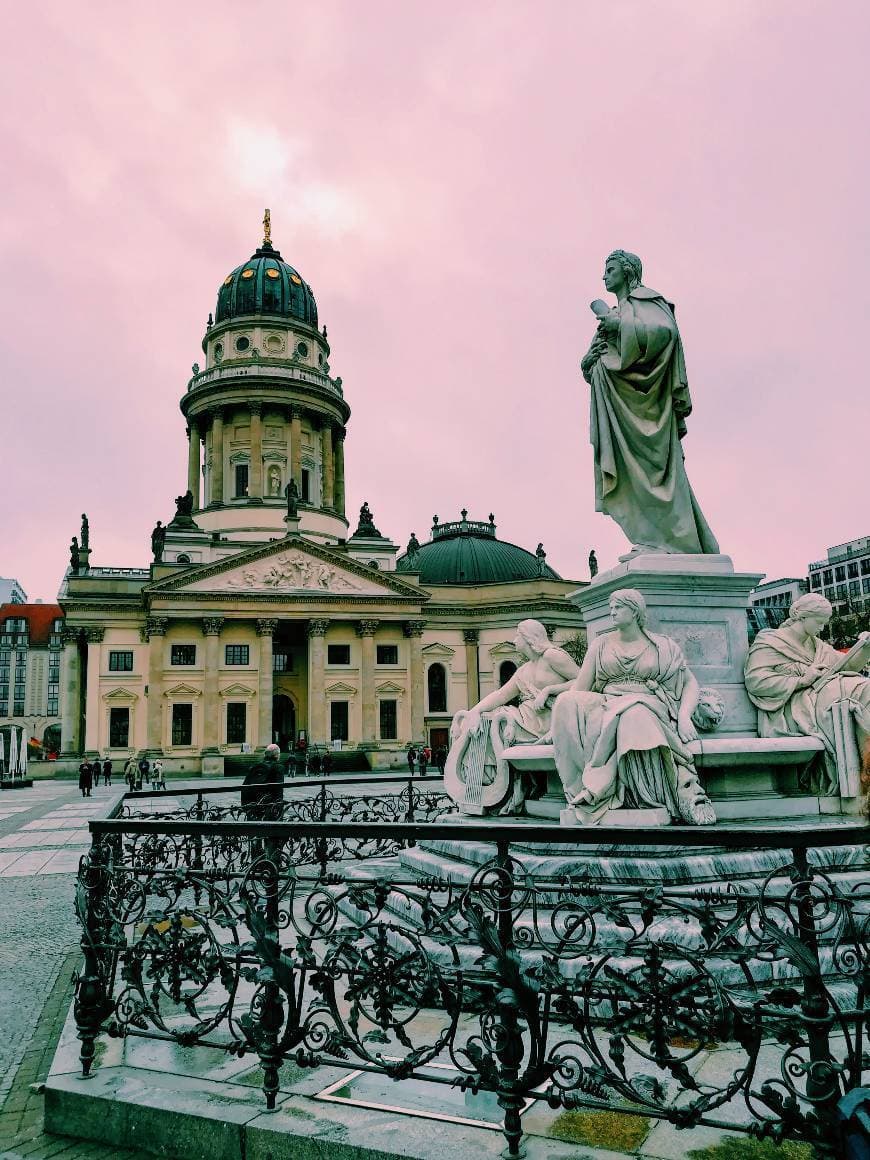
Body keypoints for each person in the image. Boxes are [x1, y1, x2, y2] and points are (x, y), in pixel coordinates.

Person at [580, 250, 719, 557]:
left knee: (658, 473)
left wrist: (621, 327)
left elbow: (666, 333)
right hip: (620, 409)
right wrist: (587, 364)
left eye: (610, 269)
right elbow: (598, 356)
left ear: (627, 272)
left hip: (649, 405)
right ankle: (650, 538)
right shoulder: (615, 312)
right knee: (632, 476)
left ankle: (675, 541)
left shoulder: (646, 301)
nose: (604, 275)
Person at [551, 588, 716, 826]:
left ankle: (618, 793)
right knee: (566, 702)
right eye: (611, 606)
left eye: (618, 607)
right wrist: (557, 710)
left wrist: (684, 717)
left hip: (647, 703)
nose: (612, 611)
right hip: (607, 702)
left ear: (635, 611)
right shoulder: (600, 645)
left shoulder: (662, 646)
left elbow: (690, 683)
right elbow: (580, 689)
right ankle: (581, 787)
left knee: (633, 713)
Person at [444, 619, 581, 814]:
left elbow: (583, 681)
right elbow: (501, 695)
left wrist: (550, 689)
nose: (514, 639)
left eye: (517, 635)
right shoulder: (524, 670)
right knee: (486, 720)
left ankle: (496, 790)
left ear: (529, 638)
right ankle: (486, 788)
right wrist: (474, 711)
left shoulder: (552, 656)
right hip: (526, 717)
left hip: (549, 719)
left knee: (496, 724)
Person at [744, 593, 870, 794]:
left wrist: (866, 648)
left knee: (864, 688)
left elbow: (848, 666)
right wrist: (802, 680)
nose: (822, 628)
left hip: (824, 693)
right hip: (795, 704)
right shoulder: (770, 642)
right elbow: (756, 682)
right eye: (819, 622)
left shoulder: (818, 646)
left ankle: (866, 769)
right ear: (802, 617)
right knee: (855, 692)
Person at [241, 744, 285, 822]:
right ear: (276, 755)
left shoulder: (255, 767)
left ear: (265, 754)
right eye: (279, 754)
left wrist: (245, 805)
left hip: (253, 805)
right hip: (269, 807)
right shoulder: (278, 767)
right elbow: (278, 790)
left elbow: (245, 786)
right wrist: (279, 807)